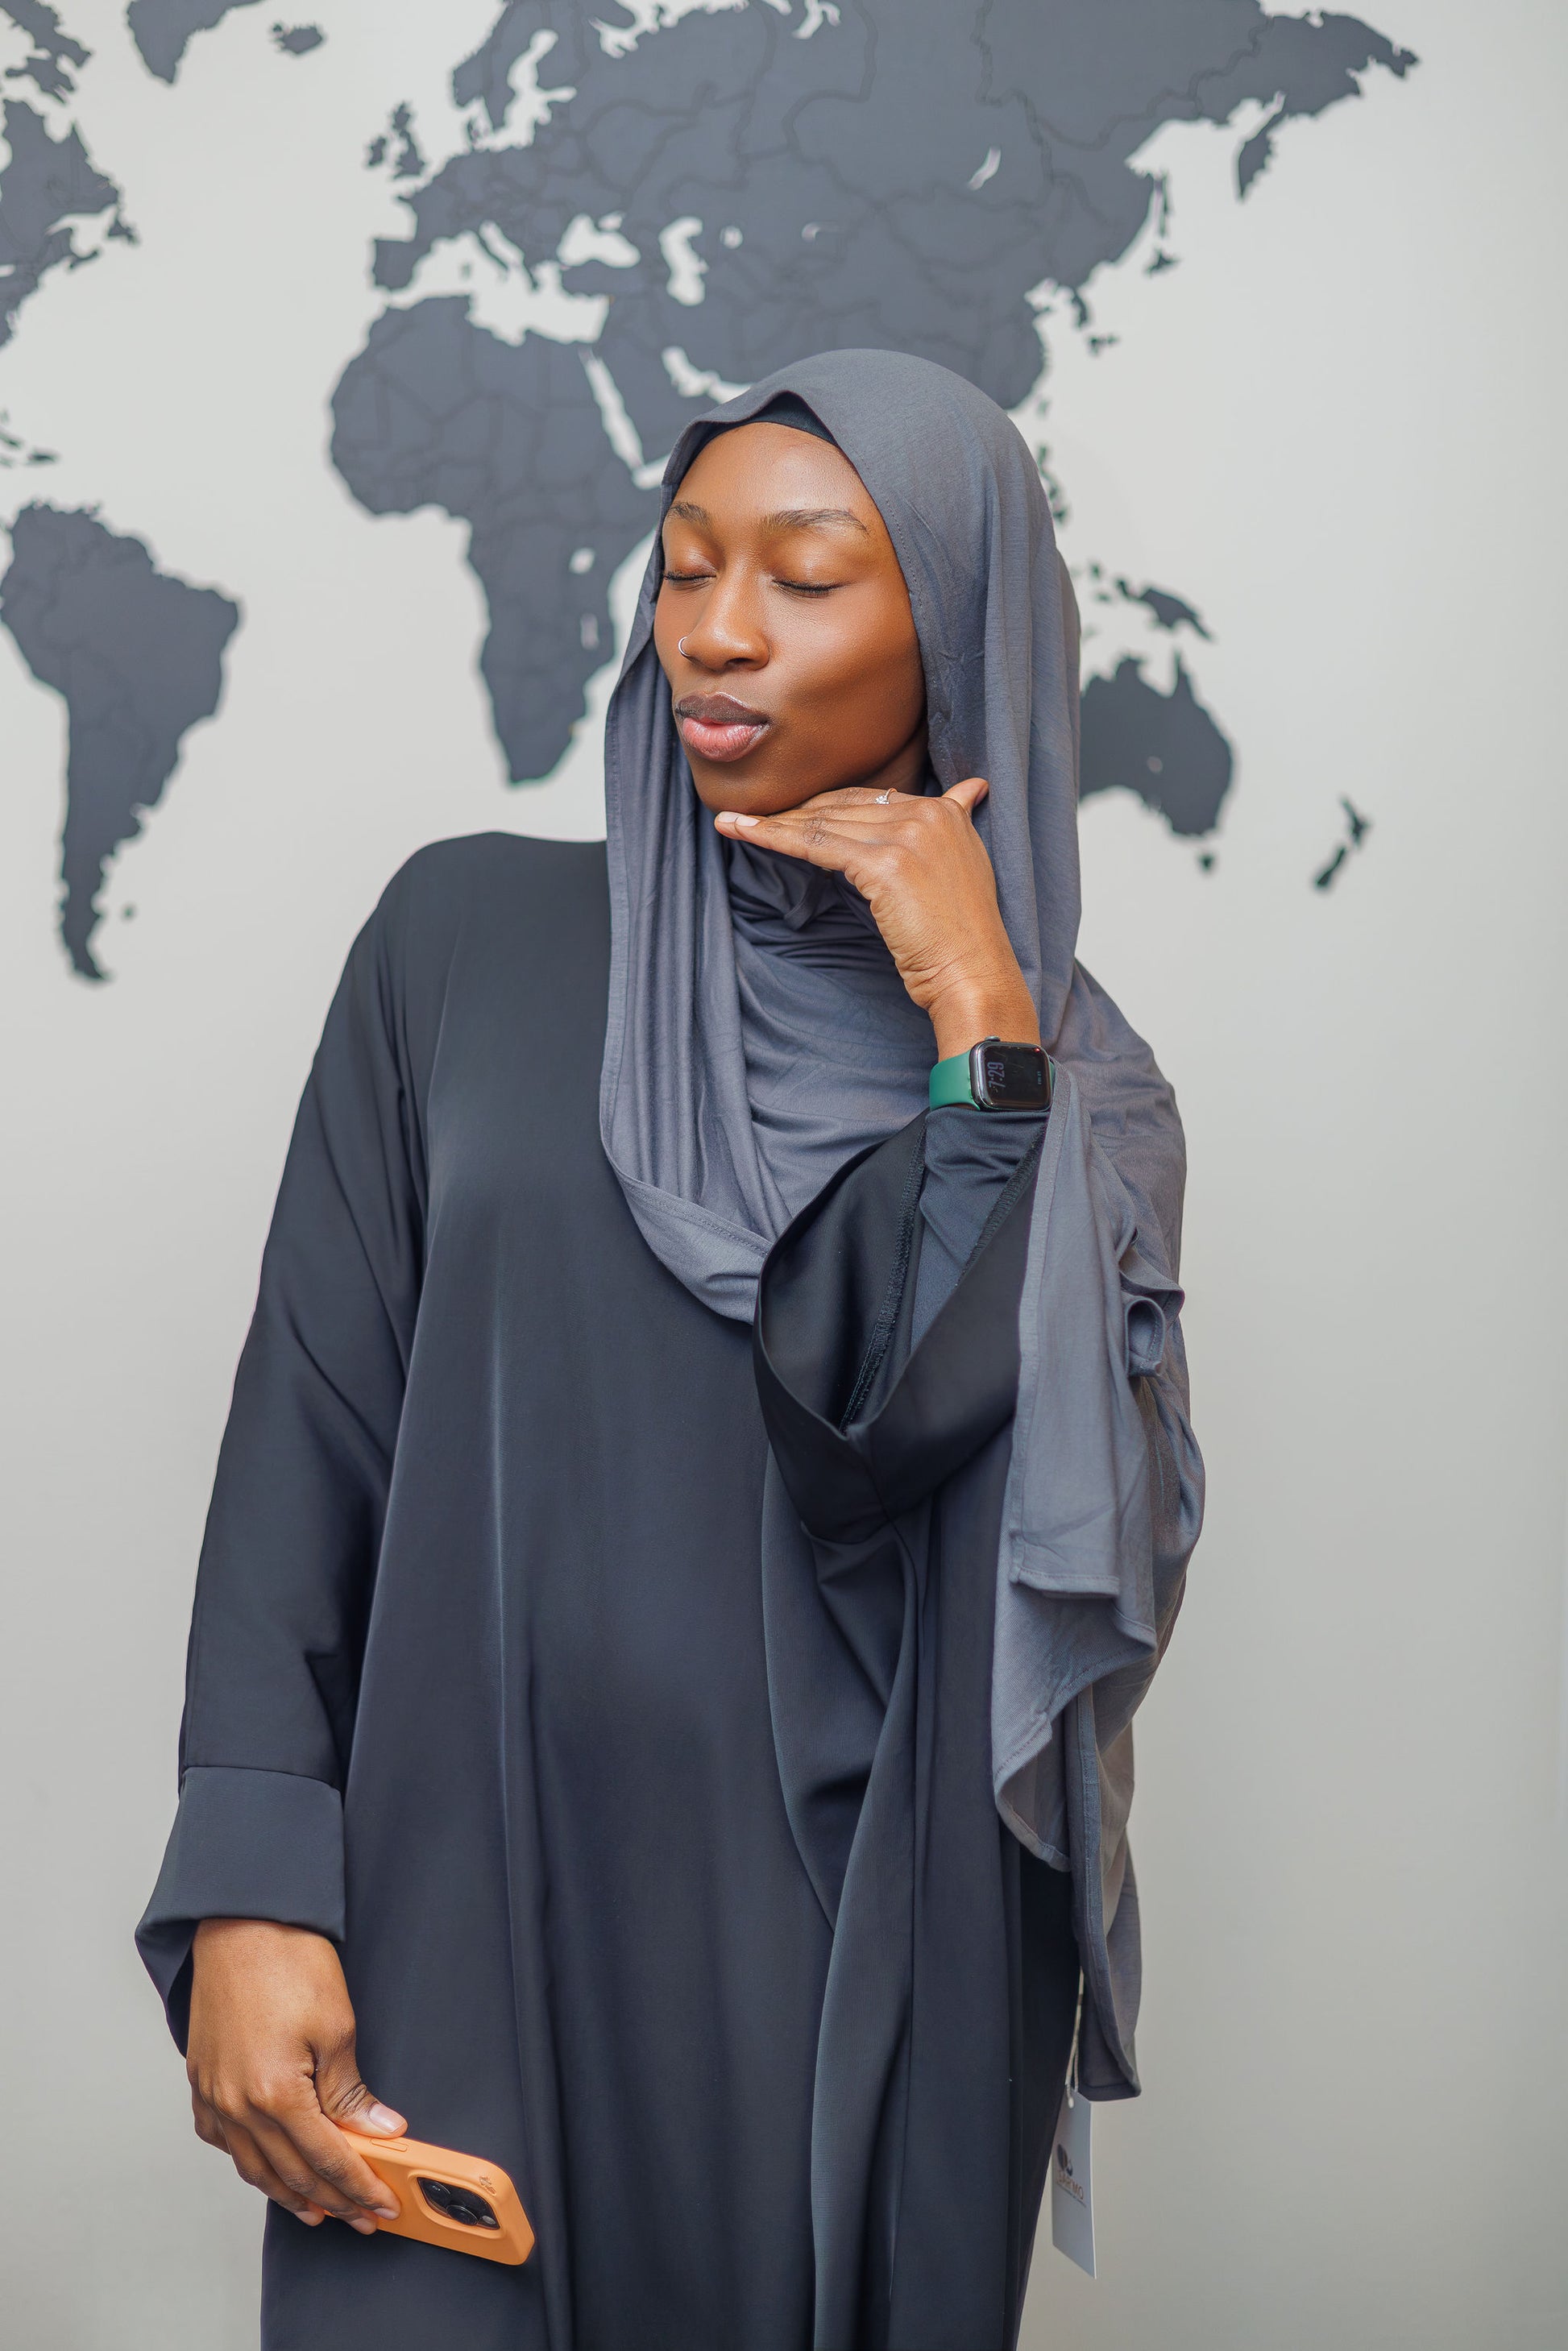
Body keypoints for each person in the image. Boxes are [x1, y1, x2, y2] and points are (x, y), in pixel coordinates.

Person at [137, 350, 1203, 2351]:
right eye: (685, 563)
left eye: (804, 577)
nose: (714, 629)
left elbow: (914, 1437)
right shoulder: (462, 943)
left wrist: (978, 1019)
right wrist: (253, 1882)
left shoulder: (1078, 1092)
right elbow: (308, 1433)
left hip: (856, 1966)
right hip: (466, 1897)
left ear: (955, 628)